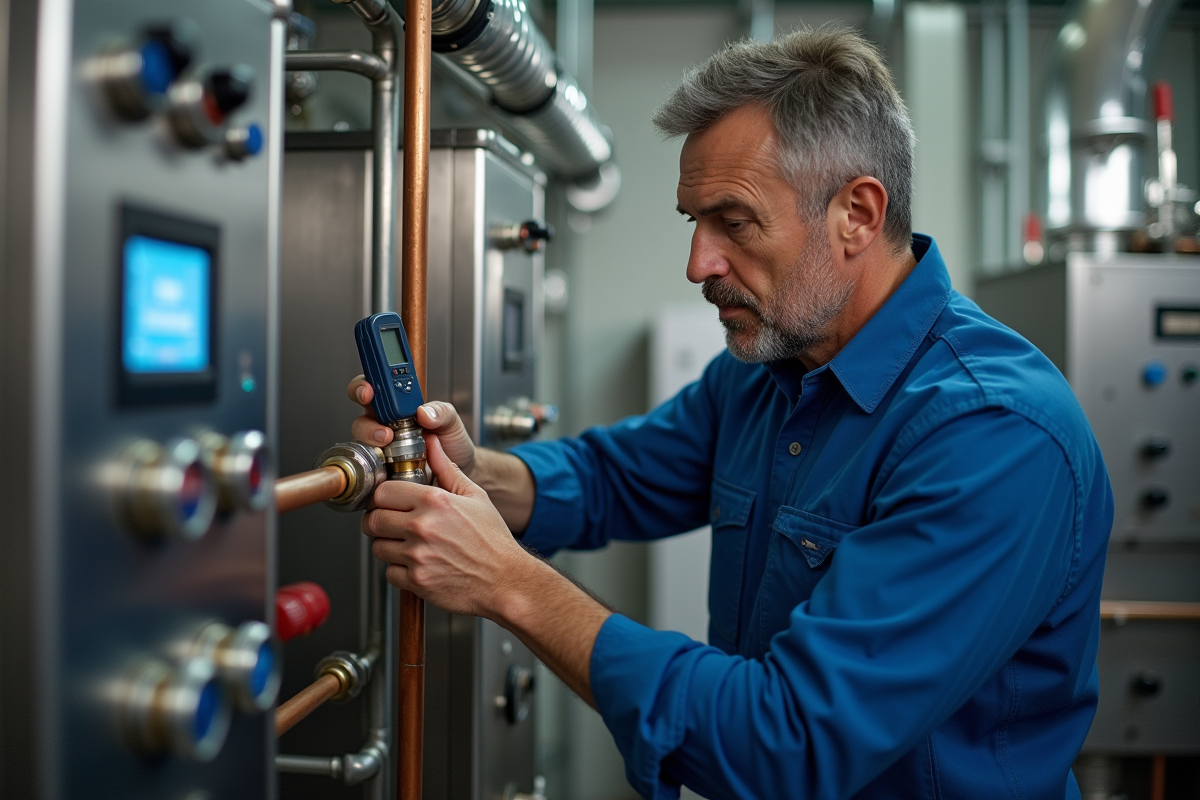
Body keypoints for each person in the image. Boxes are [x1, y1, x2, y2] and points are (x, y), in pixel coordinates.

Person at [349, 27, 1113, 800]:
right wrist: (473, 473)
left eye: (735, 221)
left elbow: (790, 744)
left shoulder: (991, 435)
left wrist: (510, 584)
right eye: (695, 222)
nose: (698, 265)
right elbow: (616, 477)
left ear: (857, 213)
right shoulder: (768, 369)